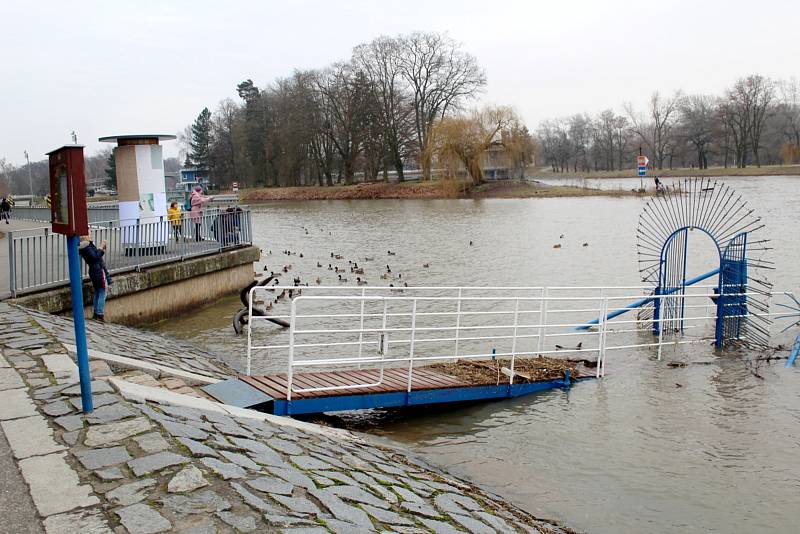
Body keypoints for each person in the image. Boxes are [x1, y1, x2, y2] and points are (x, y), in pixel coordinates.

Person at [78, 236, 109, 321]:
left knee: (97, 291)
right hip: (98, 271)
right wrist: (101, 247)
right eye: (89, 231)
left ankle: (96, 313)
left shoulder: (85, 246)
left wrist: (100, 248)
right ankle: (99, 314)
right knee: (103, 291)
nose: (90, 234)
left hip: (93, 271)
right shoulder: (86, 246)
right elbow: (95, 258)